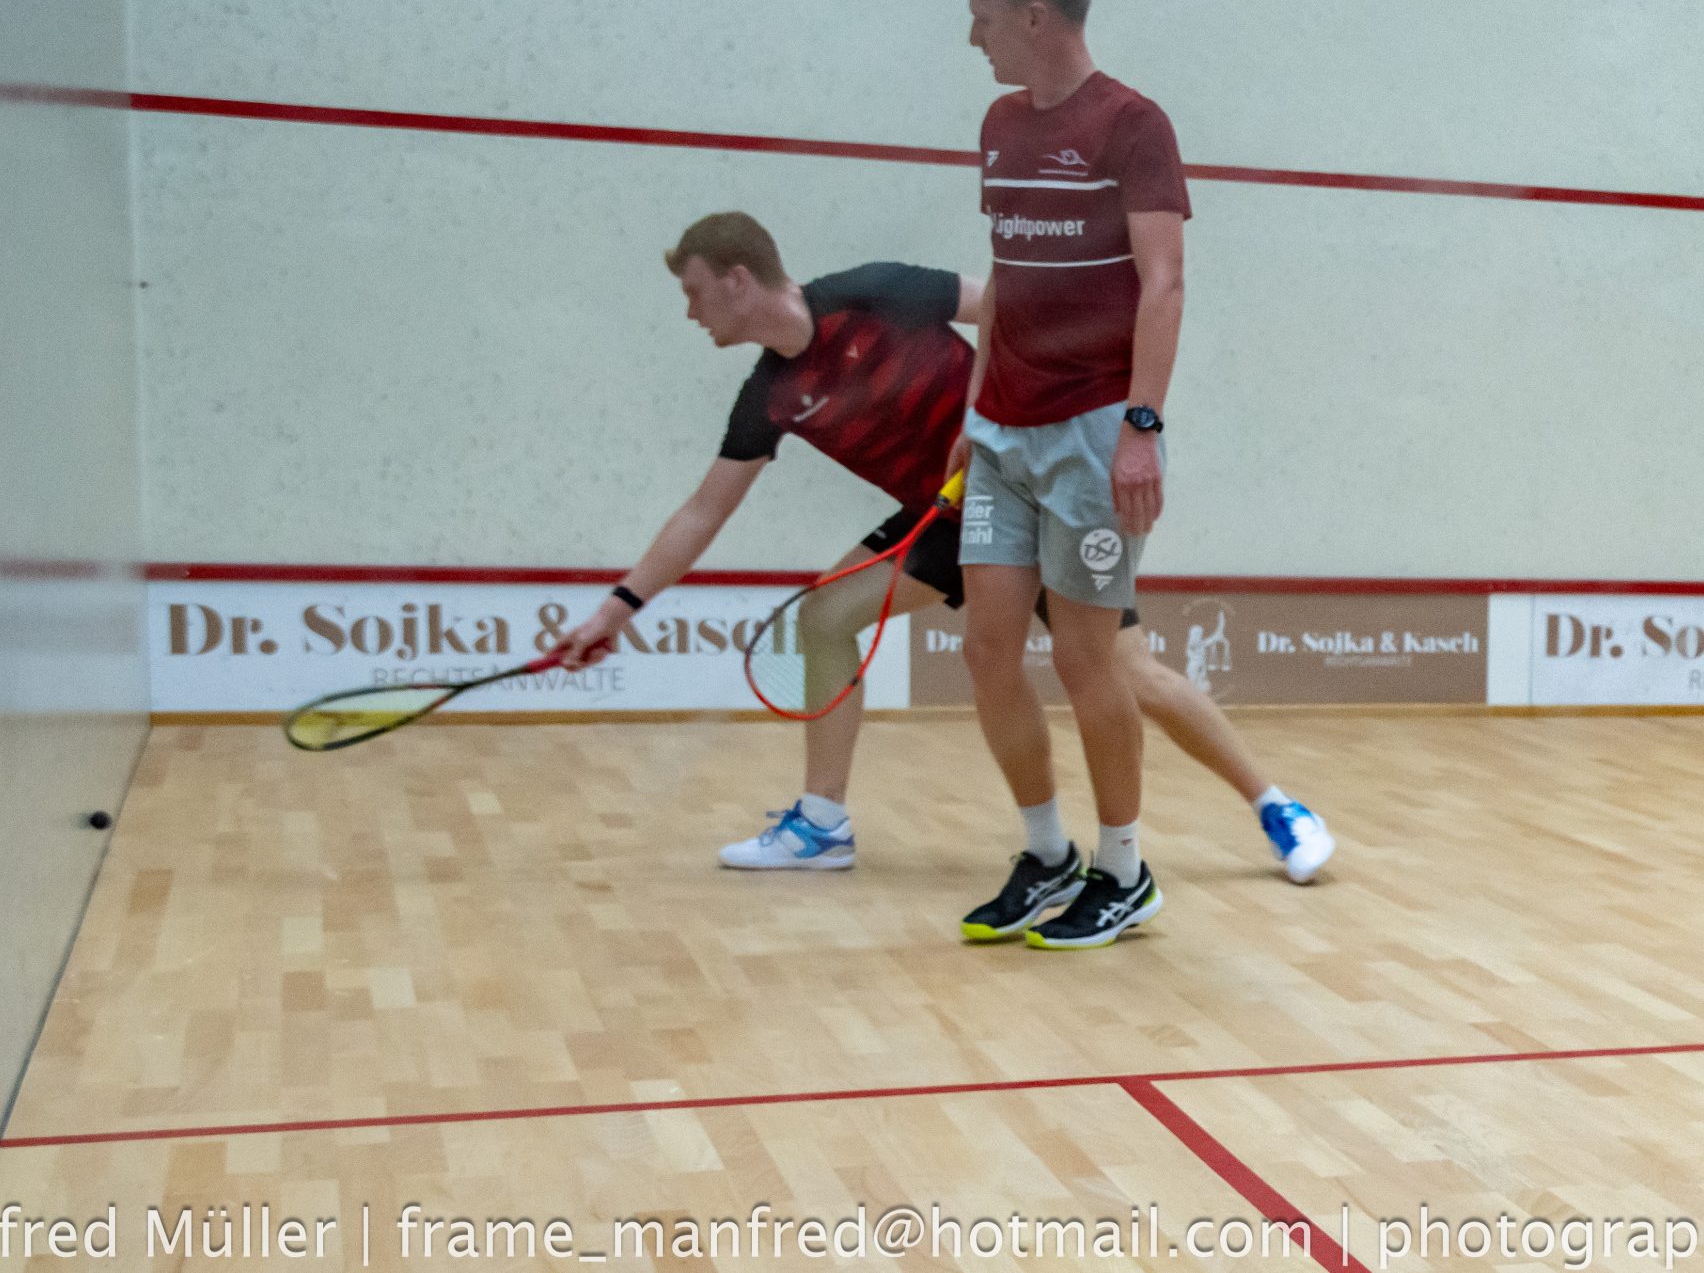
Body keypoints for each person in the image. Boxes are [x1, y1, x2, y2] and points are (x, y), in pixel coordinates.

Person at [550, 211, 1335, 890]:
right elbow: (703, 510)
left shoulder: (871, 292)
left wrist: (983, 416)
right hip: (941, 520)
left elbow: (1003, 306)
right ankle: (822, 823)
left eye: (693, 291)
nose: (690, 312)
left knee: (1130, 674)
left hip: (1029, 497)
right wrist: (617, 609)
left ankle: (1278, 808)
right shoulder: (769, 394)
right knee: (824, 616)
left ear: (737, 279)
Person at [949, 0, 1213, 951]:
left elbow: (1165, 282)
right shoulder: (998, 125)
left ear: (1034, 16)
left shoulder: (1132, 125)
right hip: (1002, 434)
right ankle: (1047, 852)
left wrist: (1141, 427)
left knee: (1085, 658)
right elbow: (1006, 279)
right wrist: (974, 411)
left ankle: (1124, 869)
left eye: (982, 19)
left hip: (1097, 433)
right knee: (985, 647)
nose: (972, 37)